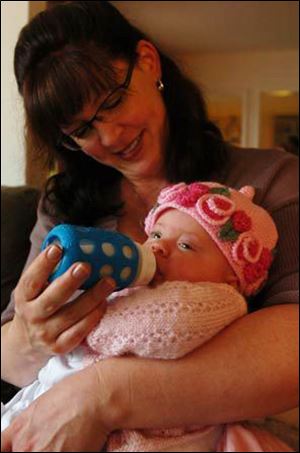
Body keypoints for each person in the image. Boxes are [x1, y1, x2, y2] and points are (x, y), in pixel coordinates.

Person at [1, 2, 298, 451]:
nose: (111, 137)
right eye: (82, 130)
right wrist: (30, 333)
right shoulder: (63, 208)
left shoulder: (270, 182)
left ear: (147, 62)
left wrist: (102, 396)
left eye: (114, 101)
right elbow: (12, 360)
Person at [4, 181, 292, 452]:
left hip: (143, 431)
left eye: (186, 245)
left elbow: (161, 327)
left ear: (230, 279)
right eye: (156, 234)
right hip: (48, 403)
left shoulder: (216, 301)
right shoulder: (138, 286)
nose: (158, 247)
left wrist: (90, 318)